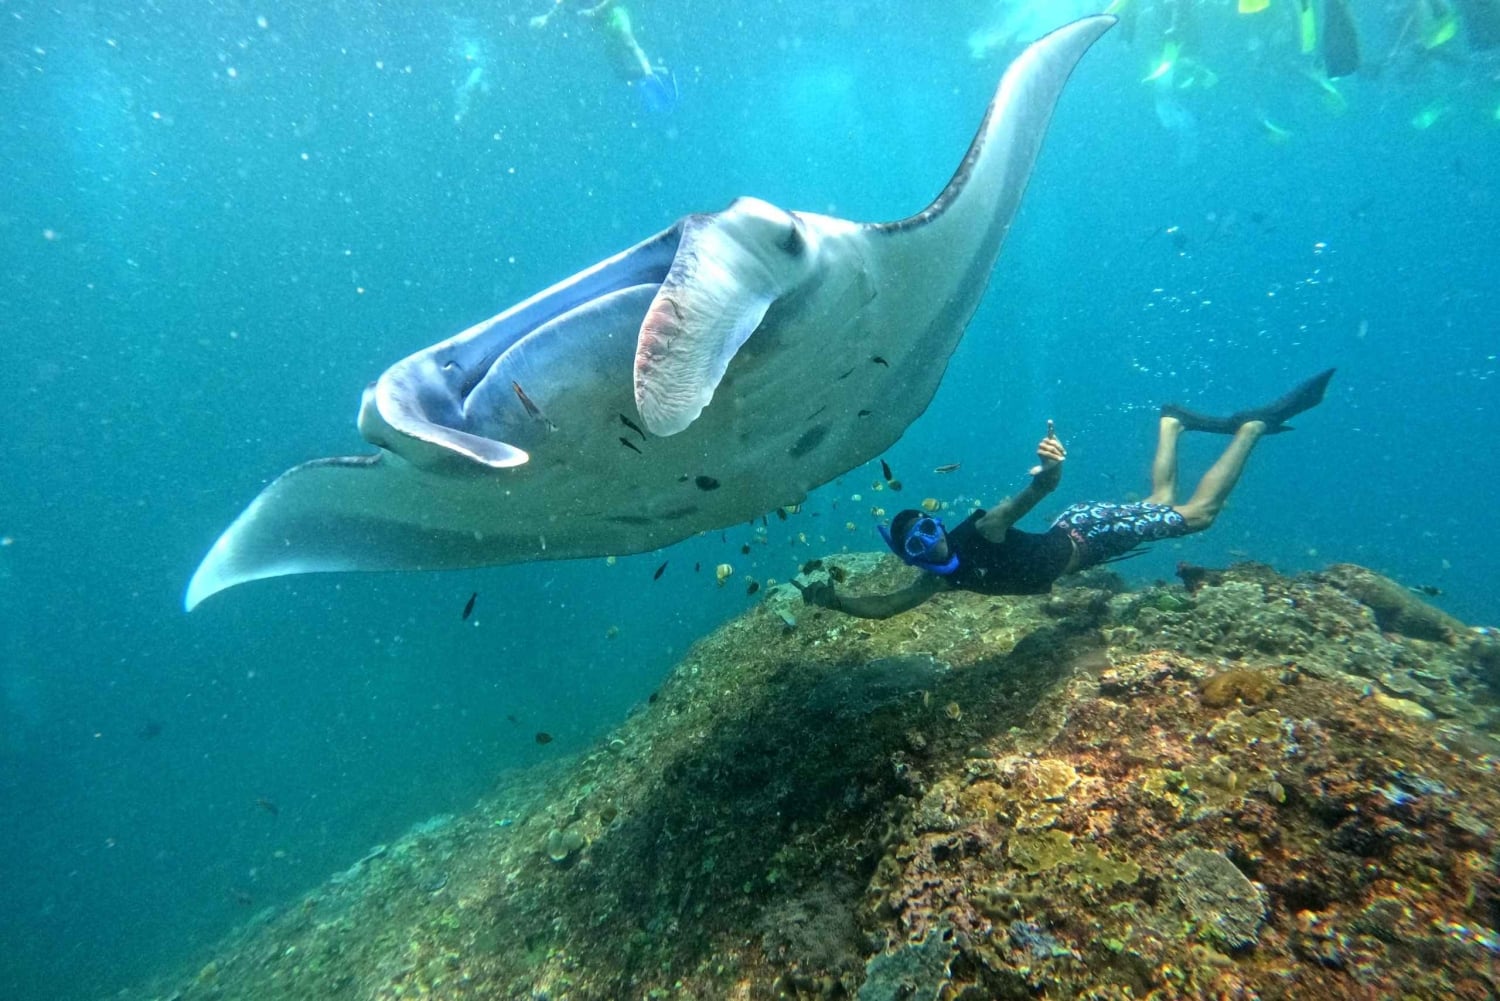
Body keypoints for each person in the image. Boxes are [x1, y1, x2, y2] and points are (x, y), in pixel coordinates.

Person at [795, 369, 1335, 620]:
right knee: (1158, 502)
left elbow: (1031, 495)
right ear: (907, 554)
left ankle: (1252, 429)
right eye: (917, 547)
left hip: (1087, 537)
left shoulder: (980, 532)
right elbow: (888, 606)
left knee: (1198, 514)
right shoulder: (938, 580)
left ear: (941, 527)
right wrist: (834, 600)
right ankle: (1172, 425)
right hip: (1077, 533)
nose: (931, 547)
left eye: (930, 532)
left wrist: (1049, 472)